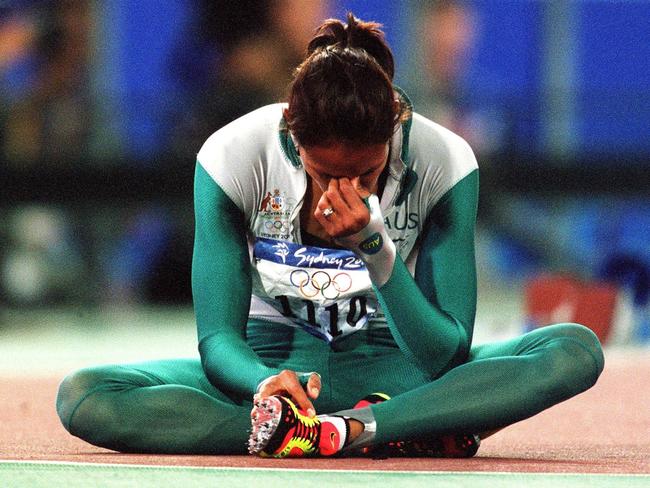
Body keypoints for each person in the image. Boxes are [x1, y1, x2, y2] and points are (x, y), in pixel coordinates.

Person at [56, 14, 604, 458]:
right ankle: (378, 431)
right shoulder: (232, 155)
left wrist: (376, 248)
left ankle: (343, 432)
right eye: (324, 172)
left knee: (574, 347)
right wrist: (264, 383)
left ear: (393, 125)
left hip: (398, 364)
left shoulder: (445, 160)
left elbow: (445, 353)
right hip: (275, 364)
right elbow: (219, 341)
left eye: (366, 174)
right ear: (292, 130)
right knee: (86, 395)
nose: (344, 189)